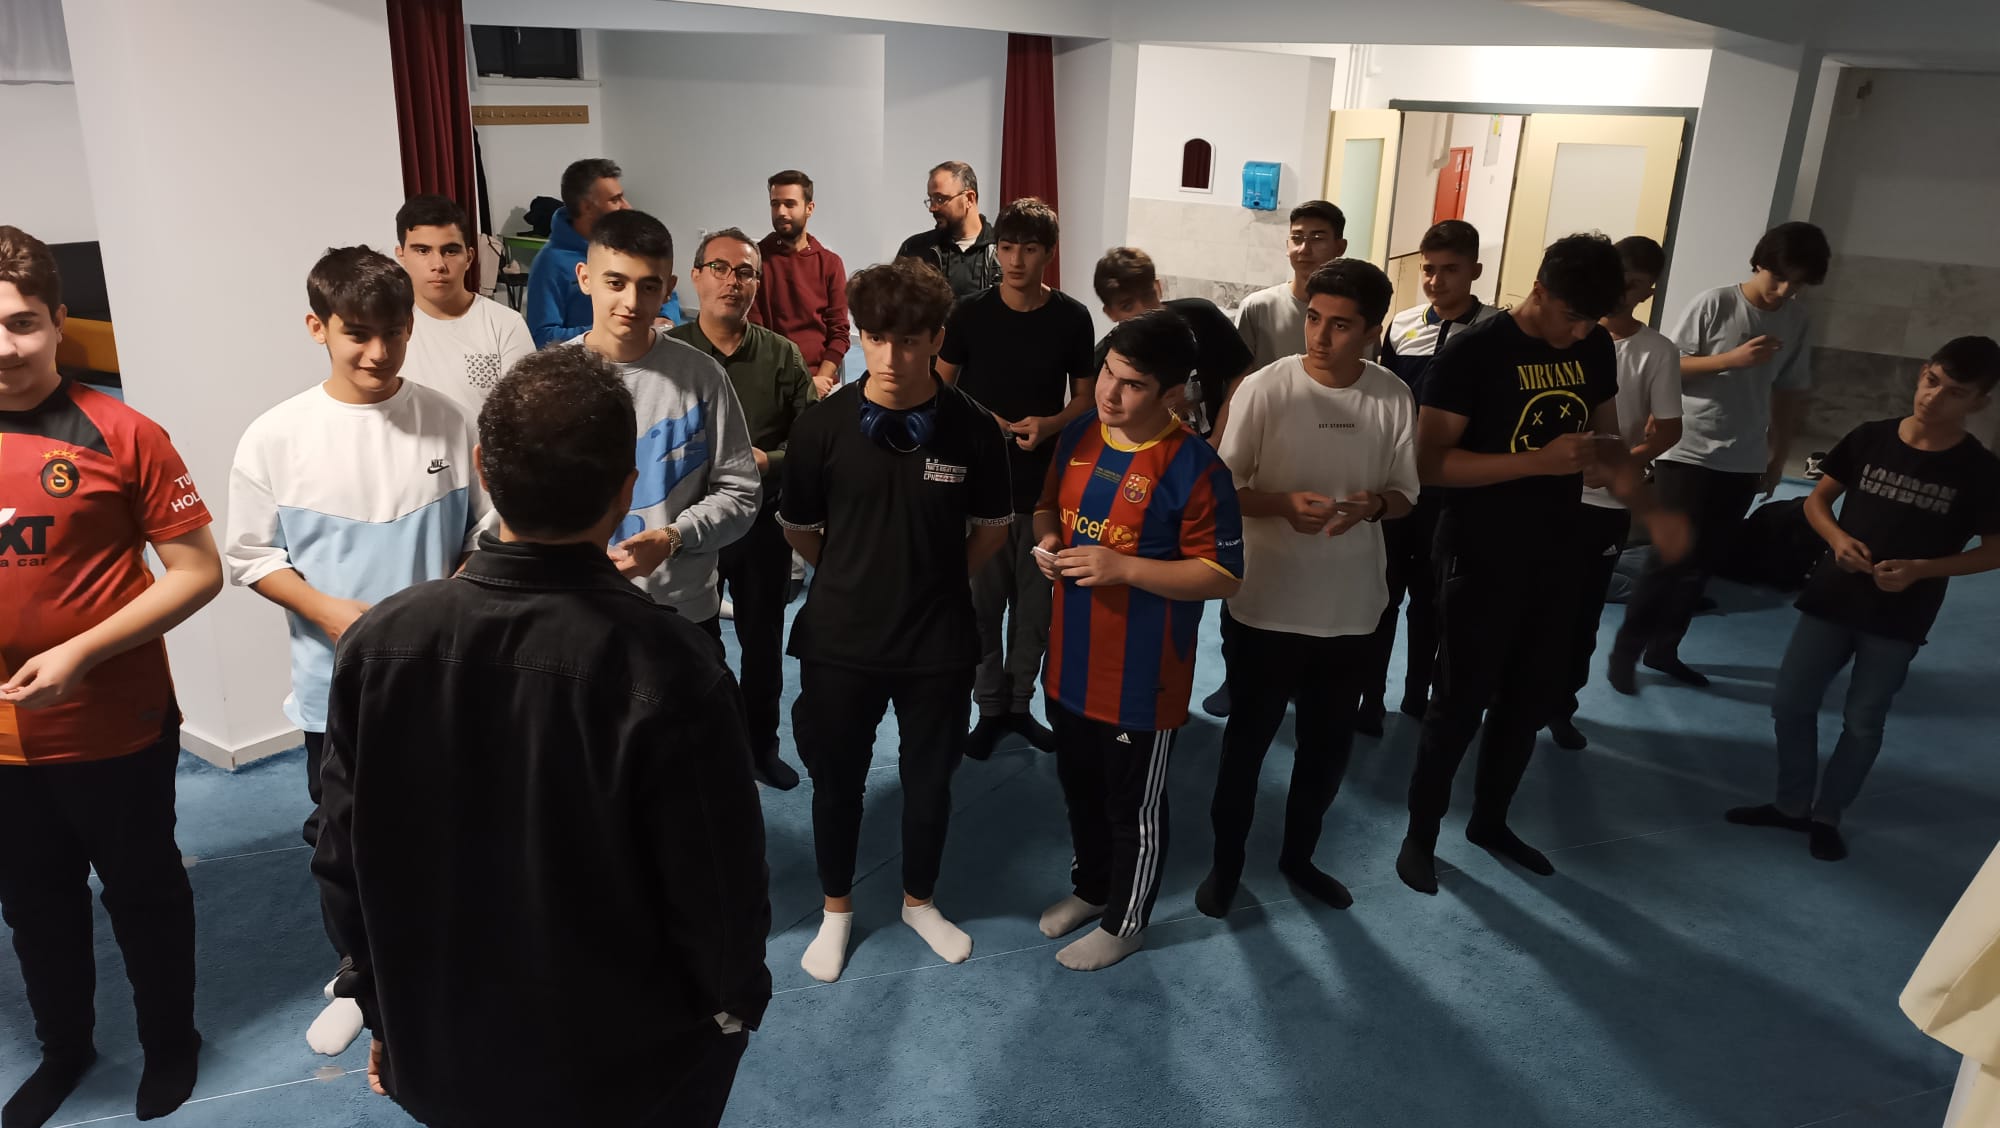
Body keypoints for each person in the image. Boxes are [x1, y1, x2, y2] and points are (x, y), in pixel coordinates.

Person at [311, 348, 772, 1128]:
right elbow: (718, 889)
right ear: (627, 490)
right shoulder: (672, 667)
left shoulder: (377, 644)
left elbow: (340, 858)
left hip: (443, 1047)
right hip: (627, 1070)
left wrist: (384, 1009)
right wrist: (732, 1009)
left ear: (484, 471)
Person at [225, 245, 492, 1059]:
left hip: (440, 682)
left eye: (395, 332)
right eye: (358, 334)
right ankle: (359, 977)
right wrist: (333, 614)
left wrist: (447, 599)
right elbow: (250, 556)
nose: (379, 352)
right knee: (347, 847)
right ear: (318, 327)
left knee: (447, 830)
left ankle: (445, 964)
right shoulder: (275, 437)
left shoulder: (448, 418)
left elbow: (483, 534)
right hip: (333, 691)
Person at [0, 226, 222, 1128]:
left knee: (143, 892)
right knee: (34, 904)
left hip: (114, 723)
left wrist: (82, 651)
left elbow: (197, 572)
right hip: (5, 745)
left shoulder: (123, 432)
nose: (4, 347)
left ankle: (172, 1043)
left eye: (21, 323)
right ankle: (66, 1049)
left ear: (59, 321)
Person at [1396, 233, 1691, 896]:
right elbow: (1429, 463)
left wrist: (1648, 506)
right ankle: (1421, 835)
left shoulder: (1591, 344)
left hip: (1560, 545)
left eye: (1592, 322)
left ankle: (1491, 821)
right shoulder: (1475, 351)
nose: (1580, 333)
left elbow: (1607, 438)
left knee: (1528, 696)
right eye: (1571, 317)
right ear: (1539, 289)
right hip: (1480, 549)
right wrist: (1537, 461)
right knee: (1460, 701)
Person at [779, 260, 1012, 984]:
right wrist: (854, 575)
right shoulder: (820, 426)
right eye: (876, 338)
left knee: (930, 781)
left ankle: (919, 901)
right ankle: (836, 909)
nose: (889, 357)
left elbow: (993, 529)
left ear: (936, 339)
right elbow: (799, 528)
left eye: (909, 341)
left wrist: (933, 579)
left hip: (938, 638)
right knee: (836, 780)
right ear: (859, 337)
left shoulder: (974, 428)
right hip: (840, 637)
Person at [1195, 259, 1416, 921]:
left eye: (1340, 325)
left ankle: (1299, 856)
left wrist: (1374, 505)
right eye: (1314, 318)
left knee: (1326, 750)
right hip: (1267, 602)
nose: (1319, 336)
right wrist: (1282, 505)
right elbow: (1222, 490)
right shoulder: (1266, 388)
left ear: (1372, 332)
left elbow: (1407, 494)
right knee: (1246, 746)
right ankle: (1225, 865)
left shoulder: (1392, 396)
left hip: (1350, 609)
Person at [1727, 337, 1999, 862]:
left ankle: (1827, 814)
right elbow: (1818, 500)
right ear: (1922, 372)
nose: (1933, 397)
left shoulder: (1980, 471)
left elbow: (1994, 550)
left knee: (1864, 719)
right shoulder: (1872, 437)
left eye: (1955, 392)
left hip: (1900, 615)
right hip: (1832, 597)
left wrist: (1923, 570)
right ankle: (1791, 804)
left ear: (1979, 402)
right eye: (1932, 381)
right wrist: (1837, 540)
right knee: (1790, 702)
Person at [1031, 309, 1243, 971]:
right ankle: (1093, 888)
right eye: (1107, 374)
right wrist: (1047, 541)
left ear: (1171, 392)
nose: (1110, 393)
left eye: (1132, 385)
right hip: (1068, 660)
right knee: (1080, 790)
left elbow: (1222, 575)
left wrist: (1122, 568)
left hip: (1141, 676)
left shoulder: (1196, 467)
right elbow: (1046, 508)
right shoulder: (1080, 436)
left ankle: (1126, 923)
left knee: (1134, 807)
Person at [1610, 221, 1830, 693]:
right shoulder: (1716, 304)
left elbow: (1789, 393)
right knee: (1668, 557)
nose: (1785, 291)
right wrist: (1731, 360)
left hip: (1743, 456)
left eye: (1797, 283)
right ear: (1760, 263)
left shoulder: (1796, 320)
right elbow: (1669, 368)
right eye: (1779, 277)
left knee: (1703, 562)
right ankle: (1625, 652)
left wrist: (1776, 458)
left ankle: (1664, 649)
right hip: (1687, 449)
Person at [935, 198, 1096, 760]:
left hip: (1045, 485)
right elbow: (940, 387)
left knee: (1035, 610)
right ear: (995, 250)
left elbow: (1085, 398)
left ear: (1049, 253)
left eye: (1029, 249)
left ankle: (1020, 705)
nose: (1016, 260)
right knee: (981, 606)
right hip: (981, 484)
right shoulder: (968, 313)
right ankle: (988, 708)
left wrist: (1049, 424)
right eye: (1006, 248)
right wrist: (989, 423)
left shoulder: (1072, 317)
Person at [669, 228, 813, 790]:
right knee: (692, 646)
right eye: (720, 268)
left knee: (762, 645)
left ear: (758, 282)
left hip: (760, 523)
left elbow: (812, 442)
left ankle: (760, 748)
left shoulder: (781, 354)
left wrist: (768, 460)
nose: (732, 281)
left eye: (745, 271)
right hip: (688, 526)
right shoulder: (671, 354)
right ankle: (705, 753)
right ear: (696, 276)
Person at [573, 210, 761, 638]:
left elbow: (741, 492)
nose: (632, 302)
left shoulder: (703, 377)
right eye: (615, 283)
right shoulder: (549, 378)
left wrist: (674, 537)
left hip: (681, 611)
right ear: (585, 278)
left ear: (669, 289)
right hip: (577, 605)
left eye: (648, 286)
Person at [1357, 219, 1500, 734]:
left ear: (1475, 271)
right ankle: (1369, 701)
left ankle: (1419, 697)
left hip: (1453, 491)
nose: (1436, 281)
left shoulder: (1495, 332)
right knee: (1383, 596)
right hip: (1398, 483)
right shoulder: (1401, 325)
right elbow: (1383, 401)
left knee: (1435, 602)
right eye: (1428, 269)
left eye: (1450, 270)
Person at [1551, 235, 1683, 750]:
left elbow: (1667, 430)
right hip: (1545, 493)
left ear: (1648, 290)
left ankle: (1560, 706)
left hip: (1602, 504)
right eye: (1617, 279)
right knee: (1533, 604)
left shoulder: (1656, 352)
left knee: (1582, 616)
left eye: (1635, 283)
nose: (1622, 291)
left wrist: (1618, 466)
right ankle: (1510, 699)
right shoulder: (1567, 334)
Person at [393, 194, 535, 420]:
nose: (438, 265)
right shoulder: (386, 328)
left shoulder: (505, 324)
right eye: (422, 250)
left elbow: (525, 418)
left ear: (469, 257)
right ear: (401, 256)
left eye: (450, 251)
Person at [1091, 245, 1254, 440]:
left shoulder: (1201, 316)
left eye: (1148, 295)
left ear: (1158, 287)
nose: (1144, 309)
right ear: (1111, 313)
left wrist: (1218, 438)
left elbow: (1243, 374)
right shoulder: (1109, 361)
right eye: (1127, 306)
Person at [523, 157, 682, 347]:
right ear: (587, 207)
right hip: (588, 361)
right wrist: (612, 330)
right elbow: (543, 337)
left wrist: (666, 317)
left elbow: (662, 288)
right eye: (615, 200)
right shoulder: (550, 263)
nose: (627, 206)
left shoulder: (629, 242)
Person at [753, 169, 850, 397]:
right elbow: (754, 332)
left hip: (821, 379)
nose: (781, 212)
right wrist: (797, 386)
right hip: (773, 380)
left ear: (809, 208)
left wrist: (820, 380)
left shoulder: (830, 263)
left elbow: (839, 333)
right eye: (775, 204)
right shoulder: (755, 260)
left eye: (789, 204)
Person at [1232, 200, 1348, 375]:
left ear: (1340, 247)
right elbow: (1237, 378)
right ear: (1288, 245)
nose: (1304, 249)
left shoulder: (1354, 314)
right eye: (1297, 238)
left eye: (1317, 239)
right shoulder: (1258, 307)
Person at [896, 160, 1001, 299]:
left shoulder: (1003, 250)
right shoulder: (914, 249)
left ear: (969, 198)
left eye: (940, 199)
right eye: (931, 199)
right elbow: (896, 304)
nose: (932, 208)